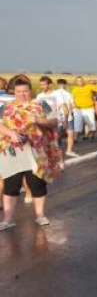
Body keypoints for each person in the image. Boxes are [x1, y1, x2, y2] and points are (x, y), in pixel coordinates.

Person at [0, 77, 63, 230]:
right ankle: (8, 219)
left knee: (37, 184)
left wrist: (41, 122)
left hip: (38, 150)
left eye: (25, 91)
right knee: (11, 185)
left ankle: (40, 216)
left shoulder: (41, 104)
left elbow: (55, 122)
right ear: (14, 91)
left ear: (30, 90)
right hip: (13, 151)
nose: (22, 94)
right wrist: (10, 132)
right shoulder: (6, 106)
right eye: (19, 91)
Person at [53, 79, 77, 157]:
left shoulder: (54, 93)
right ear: (65, 84)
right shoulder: (68, 94)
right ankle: (68, 150)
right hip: (67, 117)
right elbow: (72, 105)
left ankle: (58, 150)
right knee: (70, 134)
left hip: (59, 117)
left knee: (58, 135)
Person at [70, 76, 97, 141]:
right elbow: (72, 98)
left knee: (91, 123)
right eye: (78, 81)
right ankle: (75, 138)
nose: (80, 82)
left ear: (83, 81)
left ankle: (91, 135)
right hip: (78, 109)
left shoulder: (89, 86)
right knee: (77, 123)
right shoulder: (74, 89)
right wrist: (73, 105)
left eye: (81, 80)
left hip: (89, 108)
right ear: (76, 82)